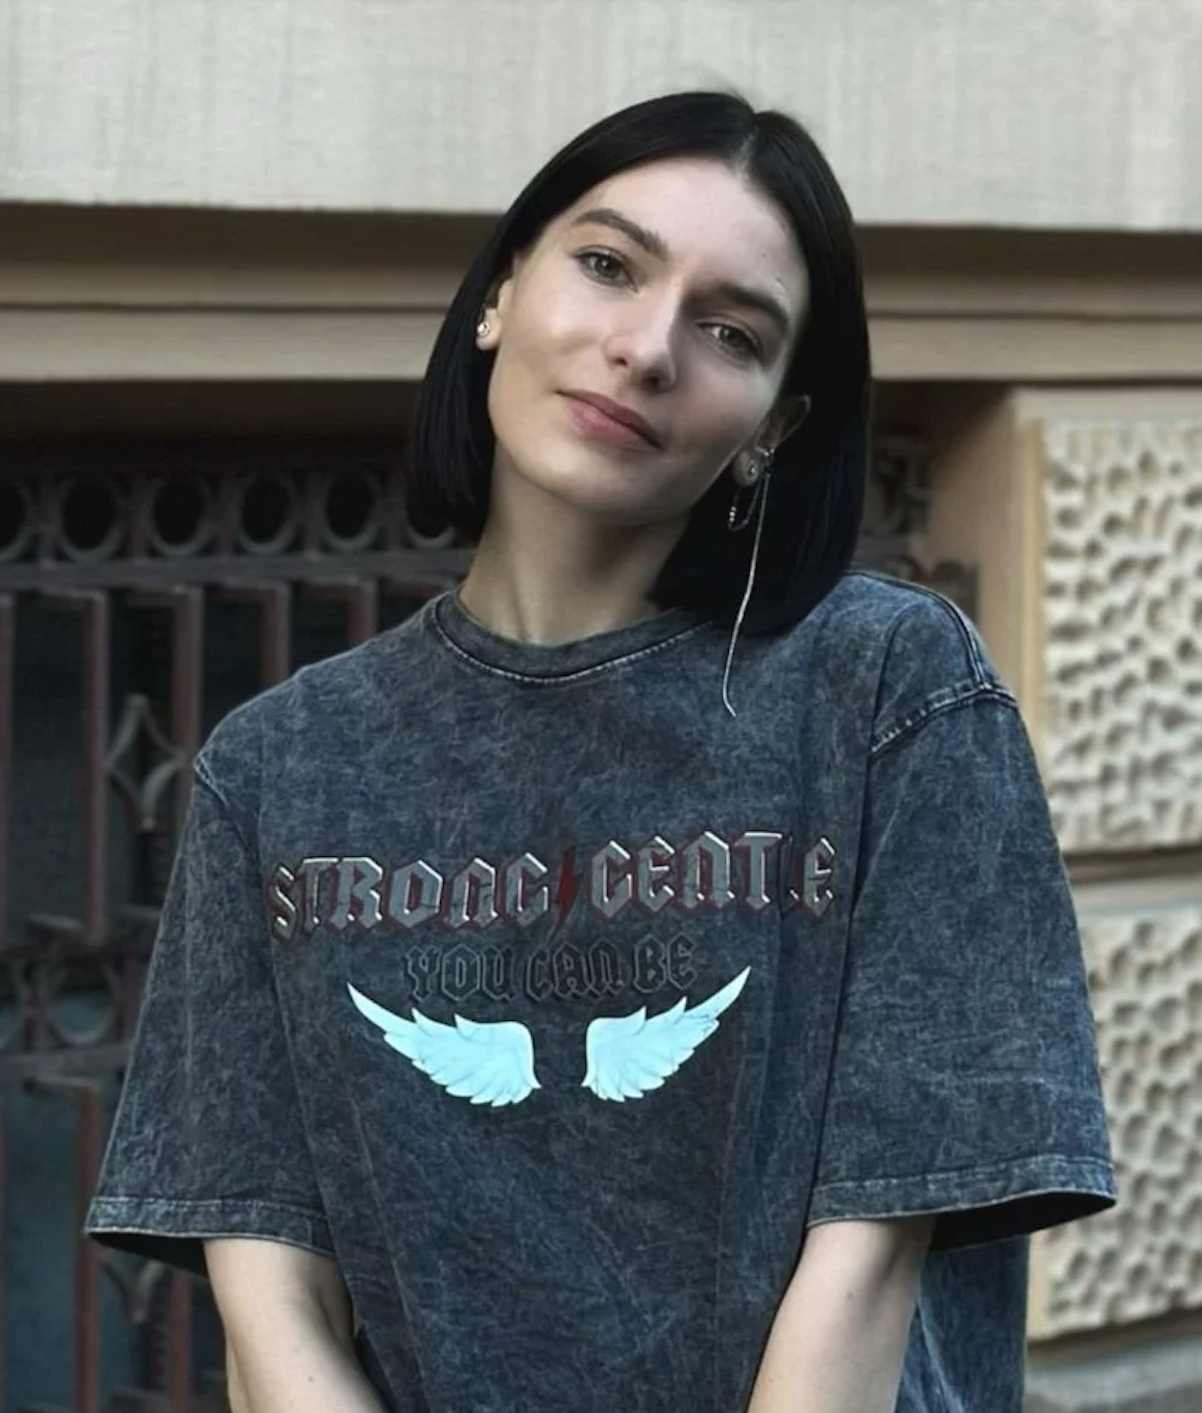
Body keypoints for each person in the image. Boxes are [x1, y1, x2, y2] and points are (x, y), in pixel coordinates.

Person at [87, 90, 1115, 1413]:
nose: (644, 349)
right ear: (499, 294)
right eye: (607, 265)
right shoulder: (276, 769)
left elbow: (871, 1253)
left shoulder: (883, 692)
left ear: (772, 424)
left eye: (728, 329)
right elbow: (268, 1290)